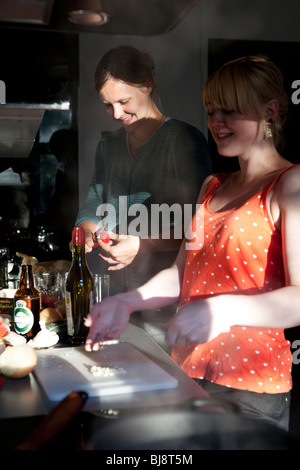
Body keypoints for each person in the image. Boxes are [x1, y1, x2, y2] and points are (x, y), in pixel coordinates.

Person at [84, 55, 300, 431]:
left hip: (249, 389)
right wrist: (127, 301)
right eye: (211, 111)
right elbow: (181, 274)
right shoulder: (212, 186)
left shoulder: (290, 183)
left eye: (229, 111)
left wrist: (220, 310)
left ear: (269, 111)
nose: (216, 122)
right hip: (187, 371)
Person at [75, 45, 211, 296]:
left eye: (123, 101)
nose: (116, 114)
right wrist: (87, 230)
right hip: (112, 290)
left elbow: (201, 224)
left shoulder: (182, 140)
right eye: (108, 105)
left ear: (147, 86)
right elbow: (94, 205)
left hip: (163, 295)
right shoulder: (109, 146)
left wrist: (142, 245)